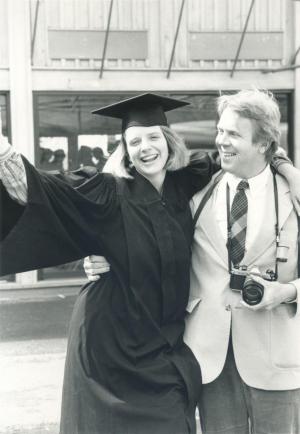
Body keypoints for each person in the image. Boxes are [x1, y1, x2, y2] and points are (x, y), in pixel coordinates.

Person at [0, 93, 220, 434]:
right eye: (134, 141)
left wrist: (287, 171)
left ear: (168, 140)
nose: (144, 147)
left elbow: (246, 160)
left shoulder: (185, 183)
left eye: (152, 137)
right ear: (125, 149)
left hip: (163, 346)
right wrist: (4, 153)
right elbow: (47, 193)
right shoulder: (109, 191)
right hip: (109, 347)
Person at [84, 90, 300, 434]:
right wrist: (109, 257)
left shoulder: (293, 195)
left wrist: (286, 291)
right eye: (220, 131)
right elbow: (153, 242)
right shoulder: (195, 191)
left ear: (263, 144)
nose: (221, 142)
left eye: (233, 134)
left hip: (275, 359)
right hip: (208, 357)